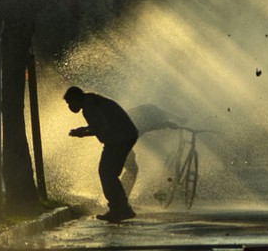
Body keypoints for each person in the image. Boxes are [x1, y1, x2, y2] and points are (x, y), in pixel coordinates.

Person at [64, 86, 139, 223]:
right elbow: (100, 125)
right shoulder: (91, 101)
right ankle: (121, 208)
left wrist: (83, 133)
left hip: (120, 137)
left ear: (76, 98)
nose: (70, 106)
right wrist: (83, 130)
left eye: (70, 103)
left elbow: (101, 127)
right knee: (109, 173)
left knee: (107, 172)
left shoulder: (88, 106)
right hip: (124, 136)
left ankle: (119, 209)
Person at [121, 104, 181, 197]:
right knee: (131, 170)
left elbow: (163, 114)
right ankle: (120, 201)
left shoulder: (149, 110)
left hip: (120, 143)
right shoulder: (144, 121)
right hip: (120, 144)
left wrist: (178, 119)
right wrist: (167, 124)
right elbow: (152, 126)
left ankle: (121, 199)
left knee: (131, 170)